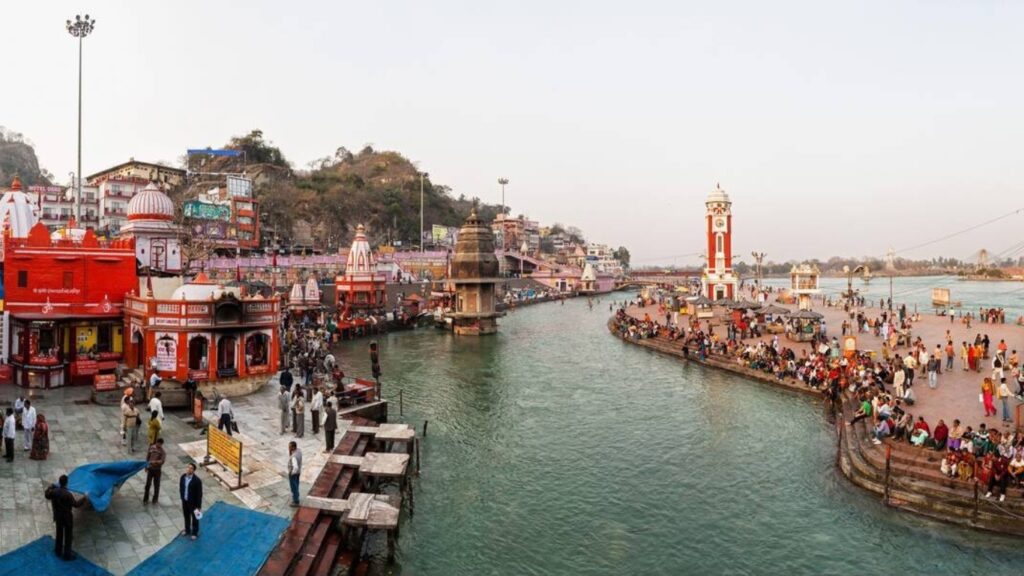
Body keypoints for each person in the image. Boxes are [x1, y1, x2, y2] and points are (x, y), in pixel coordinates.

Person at [45, 475, 87, 561]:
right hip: (67, 518)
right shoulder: (68, 495)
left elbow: (47, 495)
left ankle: (58, 550)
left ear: (59, 482)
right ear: (67, 483)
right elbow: (76, 504)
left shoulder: (54, 492)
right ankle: (67, 555)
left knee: (59, 533)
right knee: (68, 536)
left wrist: (50, 487)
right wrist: (85, 498)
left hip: (58, 516)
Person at [179, 463, 203, 540]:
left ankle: (194, 533)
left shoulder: (197, 481)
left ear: (194, 470)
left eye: (191, 468)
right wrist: (182, 498)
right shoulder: (183, 477)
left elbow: (199, 494)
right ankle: (187, 530)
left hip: (194, 503)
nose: (189, 469)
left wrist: (199, 506)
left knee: (195, 518)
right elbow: (181, 488)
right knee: (186, 516)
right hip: (185, 501)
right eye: (188, 467)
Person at [144, 438, 165, 505]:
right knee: (147, 485)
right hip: (150, 469)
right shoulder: (151, 448)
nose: (158, 445)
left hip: (157, 470)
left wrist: (154, 462)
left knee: (156, 485)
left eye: (159, 444)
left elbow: (161, 461)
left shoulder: (162, 452)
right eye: (157, 443)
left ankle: (155, 499)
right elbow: (148, 457)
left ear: (161, 444)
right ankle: (145, 498)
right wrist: (146, 466)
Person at [288, 441, 302, 507]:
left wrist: (292, 473)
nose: (289, 448)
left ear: (293, 447)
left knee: (293, 487)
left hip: (294, 473)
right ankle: (297, 495)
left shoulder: (293, 456)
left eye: (290, 447)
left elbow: (295, 467)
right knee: (296, 484)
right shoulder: (299, 451)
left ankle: (296, 501)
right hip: (298, 472)